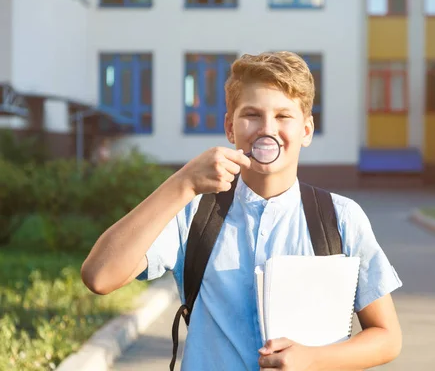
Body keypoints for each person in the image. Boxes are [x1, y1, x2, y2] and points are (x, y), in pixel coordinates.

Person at [81, 51, 403, 370]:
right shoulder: (193, 212)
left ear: (306, 130)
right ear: (230, 127)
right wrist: (183, 183)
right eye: (251, 114)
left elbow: (387, 336)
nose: (267, 129)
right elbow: (99, 275)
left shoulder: (340, 219)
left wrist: (312, 359)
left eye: (283, 116)